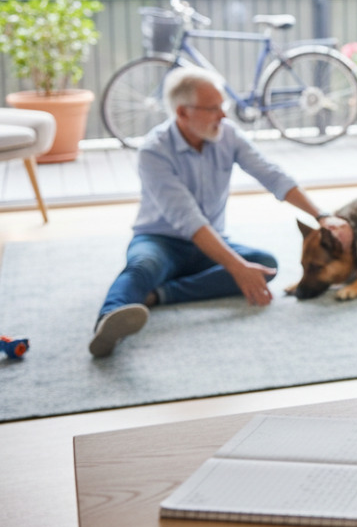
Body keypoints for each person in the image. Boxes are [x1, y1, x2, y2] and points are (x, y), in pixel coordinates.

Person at [89, 68, 339, 357]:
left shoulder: (227, 135)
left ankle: (158, 295)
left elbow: (272, 175)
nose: (223, 115)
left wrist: (321, 215)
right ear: (182, 113)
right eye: (213, 108)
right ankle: (108, 322)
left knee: (262, 264)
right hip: (160, 240)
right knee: (143, 267)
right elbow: (188, 219)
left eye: (223, 106)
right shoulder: (153, 151)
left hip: (212, 243)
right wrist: (236, 267)